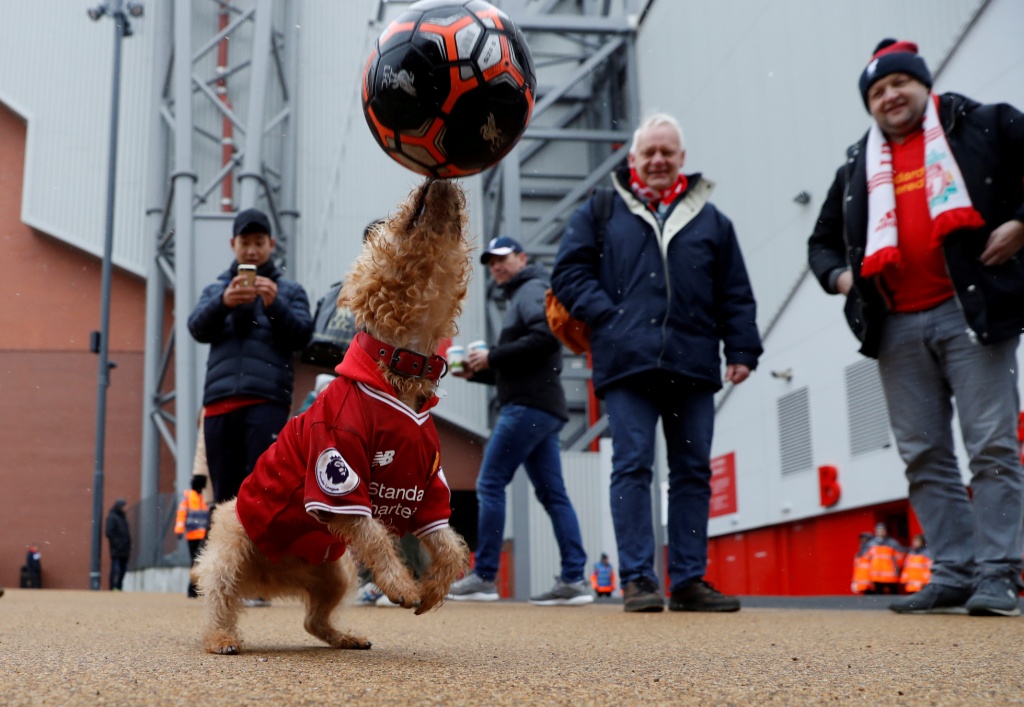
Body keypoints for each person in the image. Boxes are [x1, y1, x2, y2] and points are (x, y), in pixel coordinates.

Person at [807, 39, 1024, 617]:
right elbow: (821, 243)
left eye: (899, 83)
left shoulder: (984, 124)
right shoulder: (857, 164)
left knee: (993, 446)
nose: (890, 96)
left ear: (923, 83)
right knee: (924, 455)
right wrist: (841, 279)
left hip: (971, 312)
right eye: (877, 92)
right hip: (896, 327)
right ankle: (953, 571)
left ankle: (1000, 574)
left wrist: (1021, 224)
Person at [551, 114, 762, 613]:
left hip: (692, 364)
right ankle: (639, 579)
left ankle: (688, 580)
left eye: (667, 152)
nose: (659, 160)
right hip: (627, 364)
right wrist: (610, 316)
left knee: (692, 472)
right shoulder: (601, 210)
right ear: (633, 160)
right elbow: (568, 271)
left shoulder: (713, 221)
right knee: (632, 466)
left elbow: (734, 292)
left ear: (682, 158)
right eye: (649, 153)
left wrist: (743, 349)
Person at [447, 236, 592, 606]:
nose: (496, 265)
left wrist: (492, 356)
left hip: (527, 407)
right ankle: (574, 578)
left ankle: (484, 577)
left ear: (522, 258)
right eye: (491, 261)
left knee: (490, 482)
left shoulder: (530, 290)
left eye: (503, 258)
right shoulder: (529, 292)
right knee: (553, 494)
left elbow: (545, 340)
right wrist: (480, 371)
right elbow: (526, 362)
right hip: (542, 406)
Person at [187, 208, 314, 505]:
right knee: (223, 497)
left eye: (259, 242)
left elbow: (302, 337)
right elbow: (196, 328)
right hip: (219, 405)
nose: (252, 250)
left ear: (271, 244)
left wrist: (275, 305)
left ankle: (260, 552)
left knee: (264, 491)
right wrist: (222, 303)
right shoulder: (217, 289)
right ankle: (227, 551)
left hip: (266, 402)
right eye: (246, 242)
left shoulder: (290, 291)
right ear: (233, 244)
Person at [175, 475, 211, 598]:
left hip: (202, 535)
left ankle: (195, 589)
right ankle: (193, 589)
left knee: (198, 562)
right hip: (193, 535)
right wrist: (179, 530)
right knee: (196, 562)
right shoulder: (189, 497)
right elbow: (182, 514)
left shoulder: (203, 498)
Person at [864, 522, 905, 595]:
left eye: (882, 530)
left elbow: (900, 559)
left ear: (886, 531)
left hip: (890, 575)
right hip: (876, 575)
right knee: (878, 596)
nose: (880, 532)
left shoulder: (893, 543)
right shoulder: (871, 544)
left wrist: (896, 570)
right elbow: (866, 560)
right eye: (878, 530)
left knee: (893, 594)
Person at [104, 499, 131, 591]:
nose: (126, 508)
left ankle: (119, 587)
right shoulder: (113, 517)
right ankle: (113, 587)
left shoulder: (123, 518)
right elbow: (109, 532)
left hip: (125, 550)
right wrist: (117, 543)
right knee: (116, 569)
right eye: (124, 506)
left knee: (123, 570)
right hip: (116, 549)